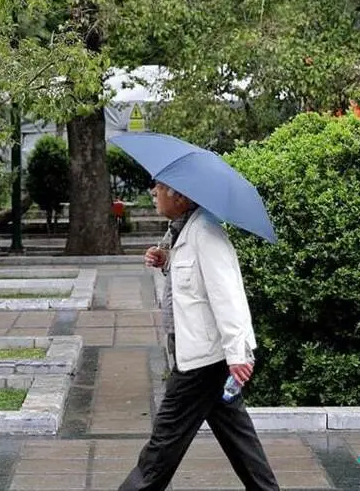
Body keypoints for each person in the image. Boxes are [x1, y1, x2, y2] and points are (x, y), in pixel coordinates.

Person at [118, 181, 280, 491]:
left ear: (180, 195)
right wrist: (166, 261)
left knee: (163, 443)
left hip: (203, 361)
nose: (154, 193)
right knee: (239, 440)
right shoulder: (185, 231)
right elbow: (194, 285)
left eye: (160, 187)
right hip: (203, 356)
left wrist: (238, 354)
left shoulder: (205, 233)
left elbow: (228, 296)